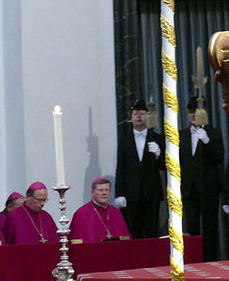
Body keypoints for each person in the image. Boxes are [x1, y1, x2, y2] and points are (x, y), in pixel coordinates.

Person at [179, 96, 224, 261]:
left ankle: (211, 260)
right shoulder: (182, 135)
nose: (193, 115)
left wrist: (207, 141)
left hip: (209, 187)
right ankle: (194, 259)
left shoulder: (213, 132)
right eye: (190, 112)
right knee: (191, 226)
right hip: (190, 188)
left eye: (195, 112)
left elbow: (218, 158)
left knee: (210, 226)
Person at [114, 99, 165, 238]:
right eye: (136, 114)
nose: (138, 116)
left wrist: (158, 154)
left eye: (142, 114)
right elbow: (121, 168)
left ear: (147, 117)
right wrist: (119, 193)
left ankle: (153, 259)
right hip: (132, 193)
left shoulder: (157, 138)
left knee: (152, 230)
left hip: (151, 193)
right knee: (133, 231)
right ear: (131, 118)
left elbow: (165, 166)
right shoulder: (124, 140)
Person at [70, 177, 131, 244]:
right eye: (100, 190)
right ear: (92, 192)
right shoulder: (82, 213)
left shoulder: (115, 212)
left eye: (107, 190)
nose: (104, 193)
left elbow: (126, 241)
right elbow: (77, 243)